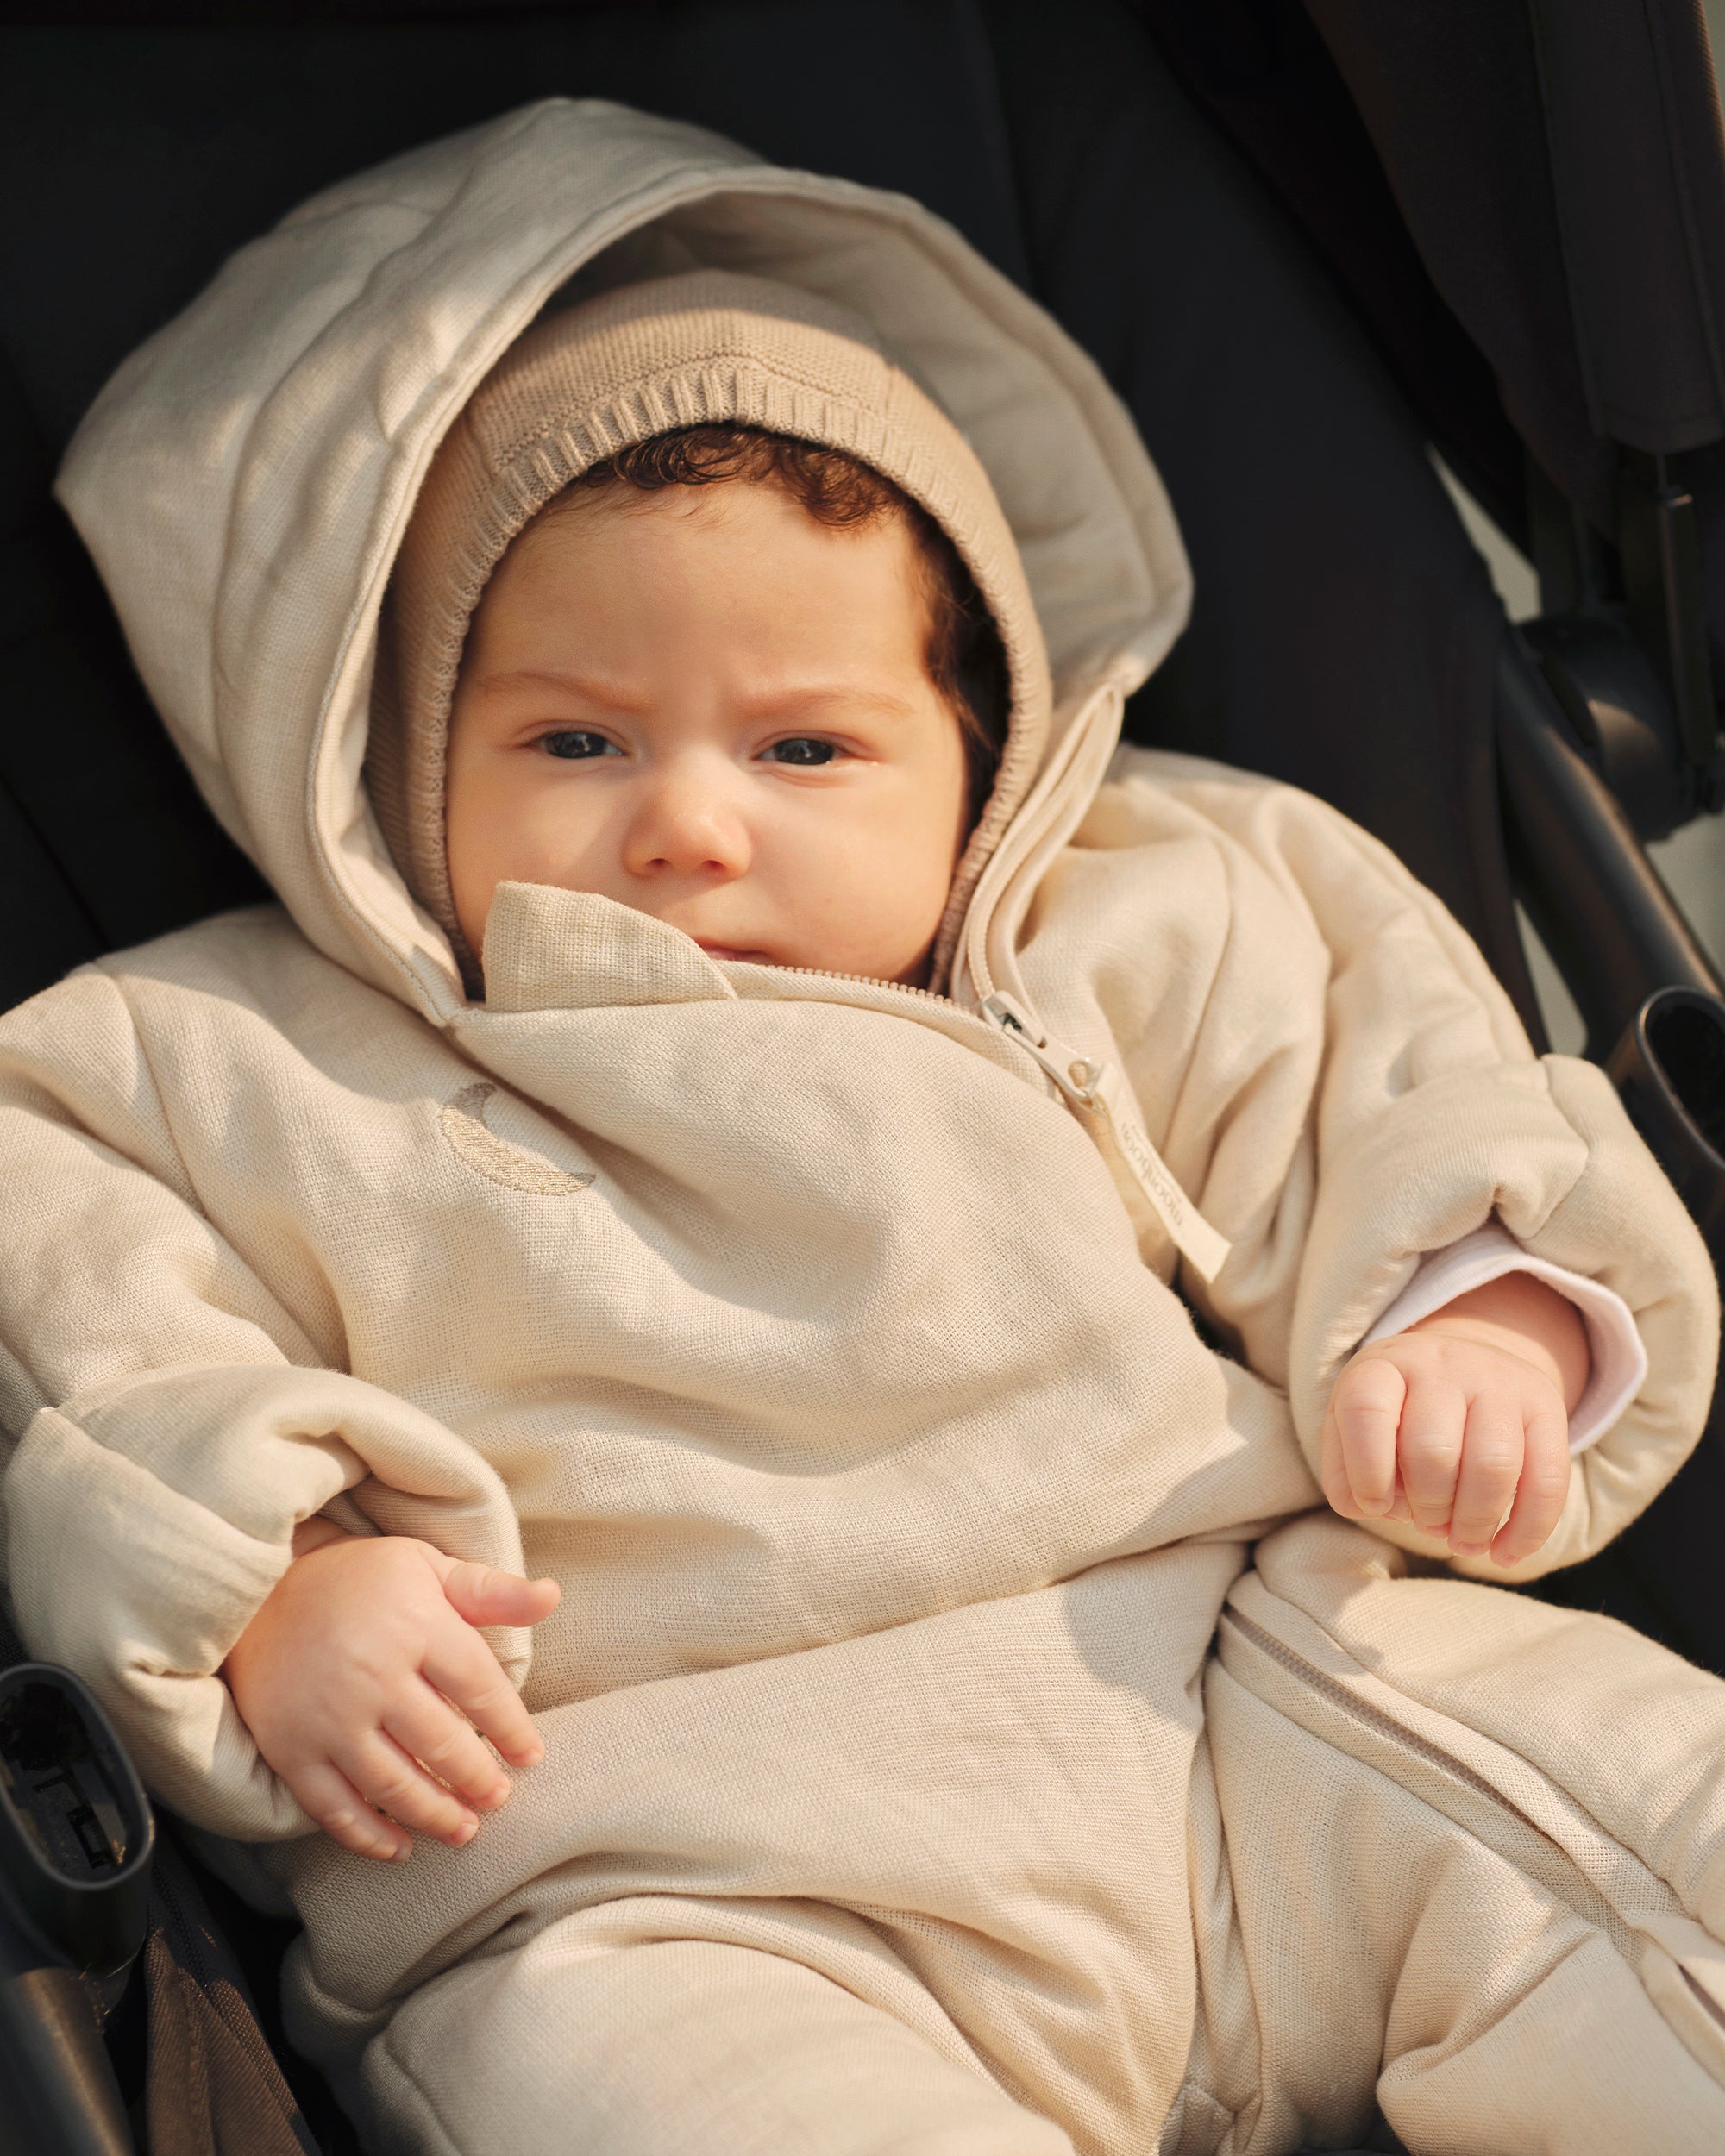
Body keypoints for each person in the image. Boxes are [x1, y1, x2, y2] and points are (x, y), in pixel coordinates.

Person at [2, 97, 1722, 2156]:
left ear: (974, 755)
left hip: (1239, 1695)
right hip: (662, 1858)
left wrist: (1479, 1307)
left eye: (805, 746)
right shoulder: (225, 1056)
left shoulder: (1136, 908)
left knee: (1652, 1814)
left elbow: (1393, 1090)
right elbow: (83, 1344)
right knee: (624, 2077)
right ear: (399, 757)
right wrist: (273, 1577)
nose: (687, 822)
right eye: (573, 736)